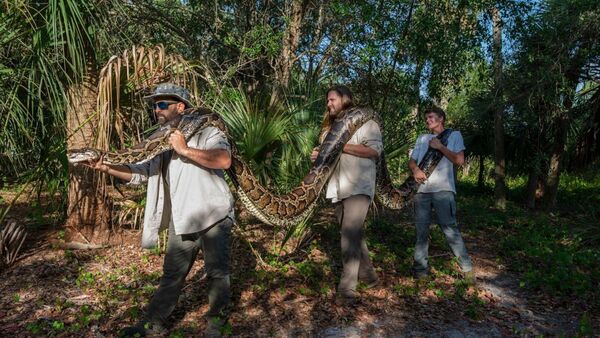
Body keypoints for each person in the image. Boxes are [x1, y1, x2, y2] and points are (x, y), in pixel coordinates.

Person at [85, 83, 235, 337]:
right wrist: (106, 167)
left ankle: (217, 324)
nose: (157, 109)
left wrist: (184, 148)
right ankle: (152, 323)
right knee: (172, 275)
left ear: (181, 106)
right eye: (155, 105)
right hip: (183, 216)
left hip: (214, 214)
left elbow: (224, 159)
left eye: (163, 104)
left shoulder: (207, 130)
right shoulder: (158, 141)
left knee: (217, 272)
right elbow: (138, 173)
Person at [311, 85, 382, 303]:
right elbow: (327, 156)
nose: (328, 103)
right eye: (327, 100)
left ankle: (347, 289)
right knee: (352, 233)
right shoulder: (328, 130)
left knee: (348, 233)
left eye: (332, 99)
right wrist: (318, 155)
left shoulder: (366, 123)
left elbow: (373, 151)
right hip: (338, 187)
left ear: (346, 99)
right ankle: (369, 276)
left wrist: (340, 146)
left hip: (359, 186)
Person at [408, 106, 473, 281]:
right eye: (426, 118)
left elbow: (459, 160)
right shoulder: (422, 138)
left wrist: (440, 147)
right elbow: (412, 161)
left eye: (431, 117)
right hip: (421, 191)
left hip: (443, 190)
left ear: (441, 118)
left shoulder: (453, 135)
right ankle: (421, 271)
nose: (428, 120)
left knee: (449, 230)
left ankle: (467, 271)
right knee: (421, 232)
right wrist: (415, 171)